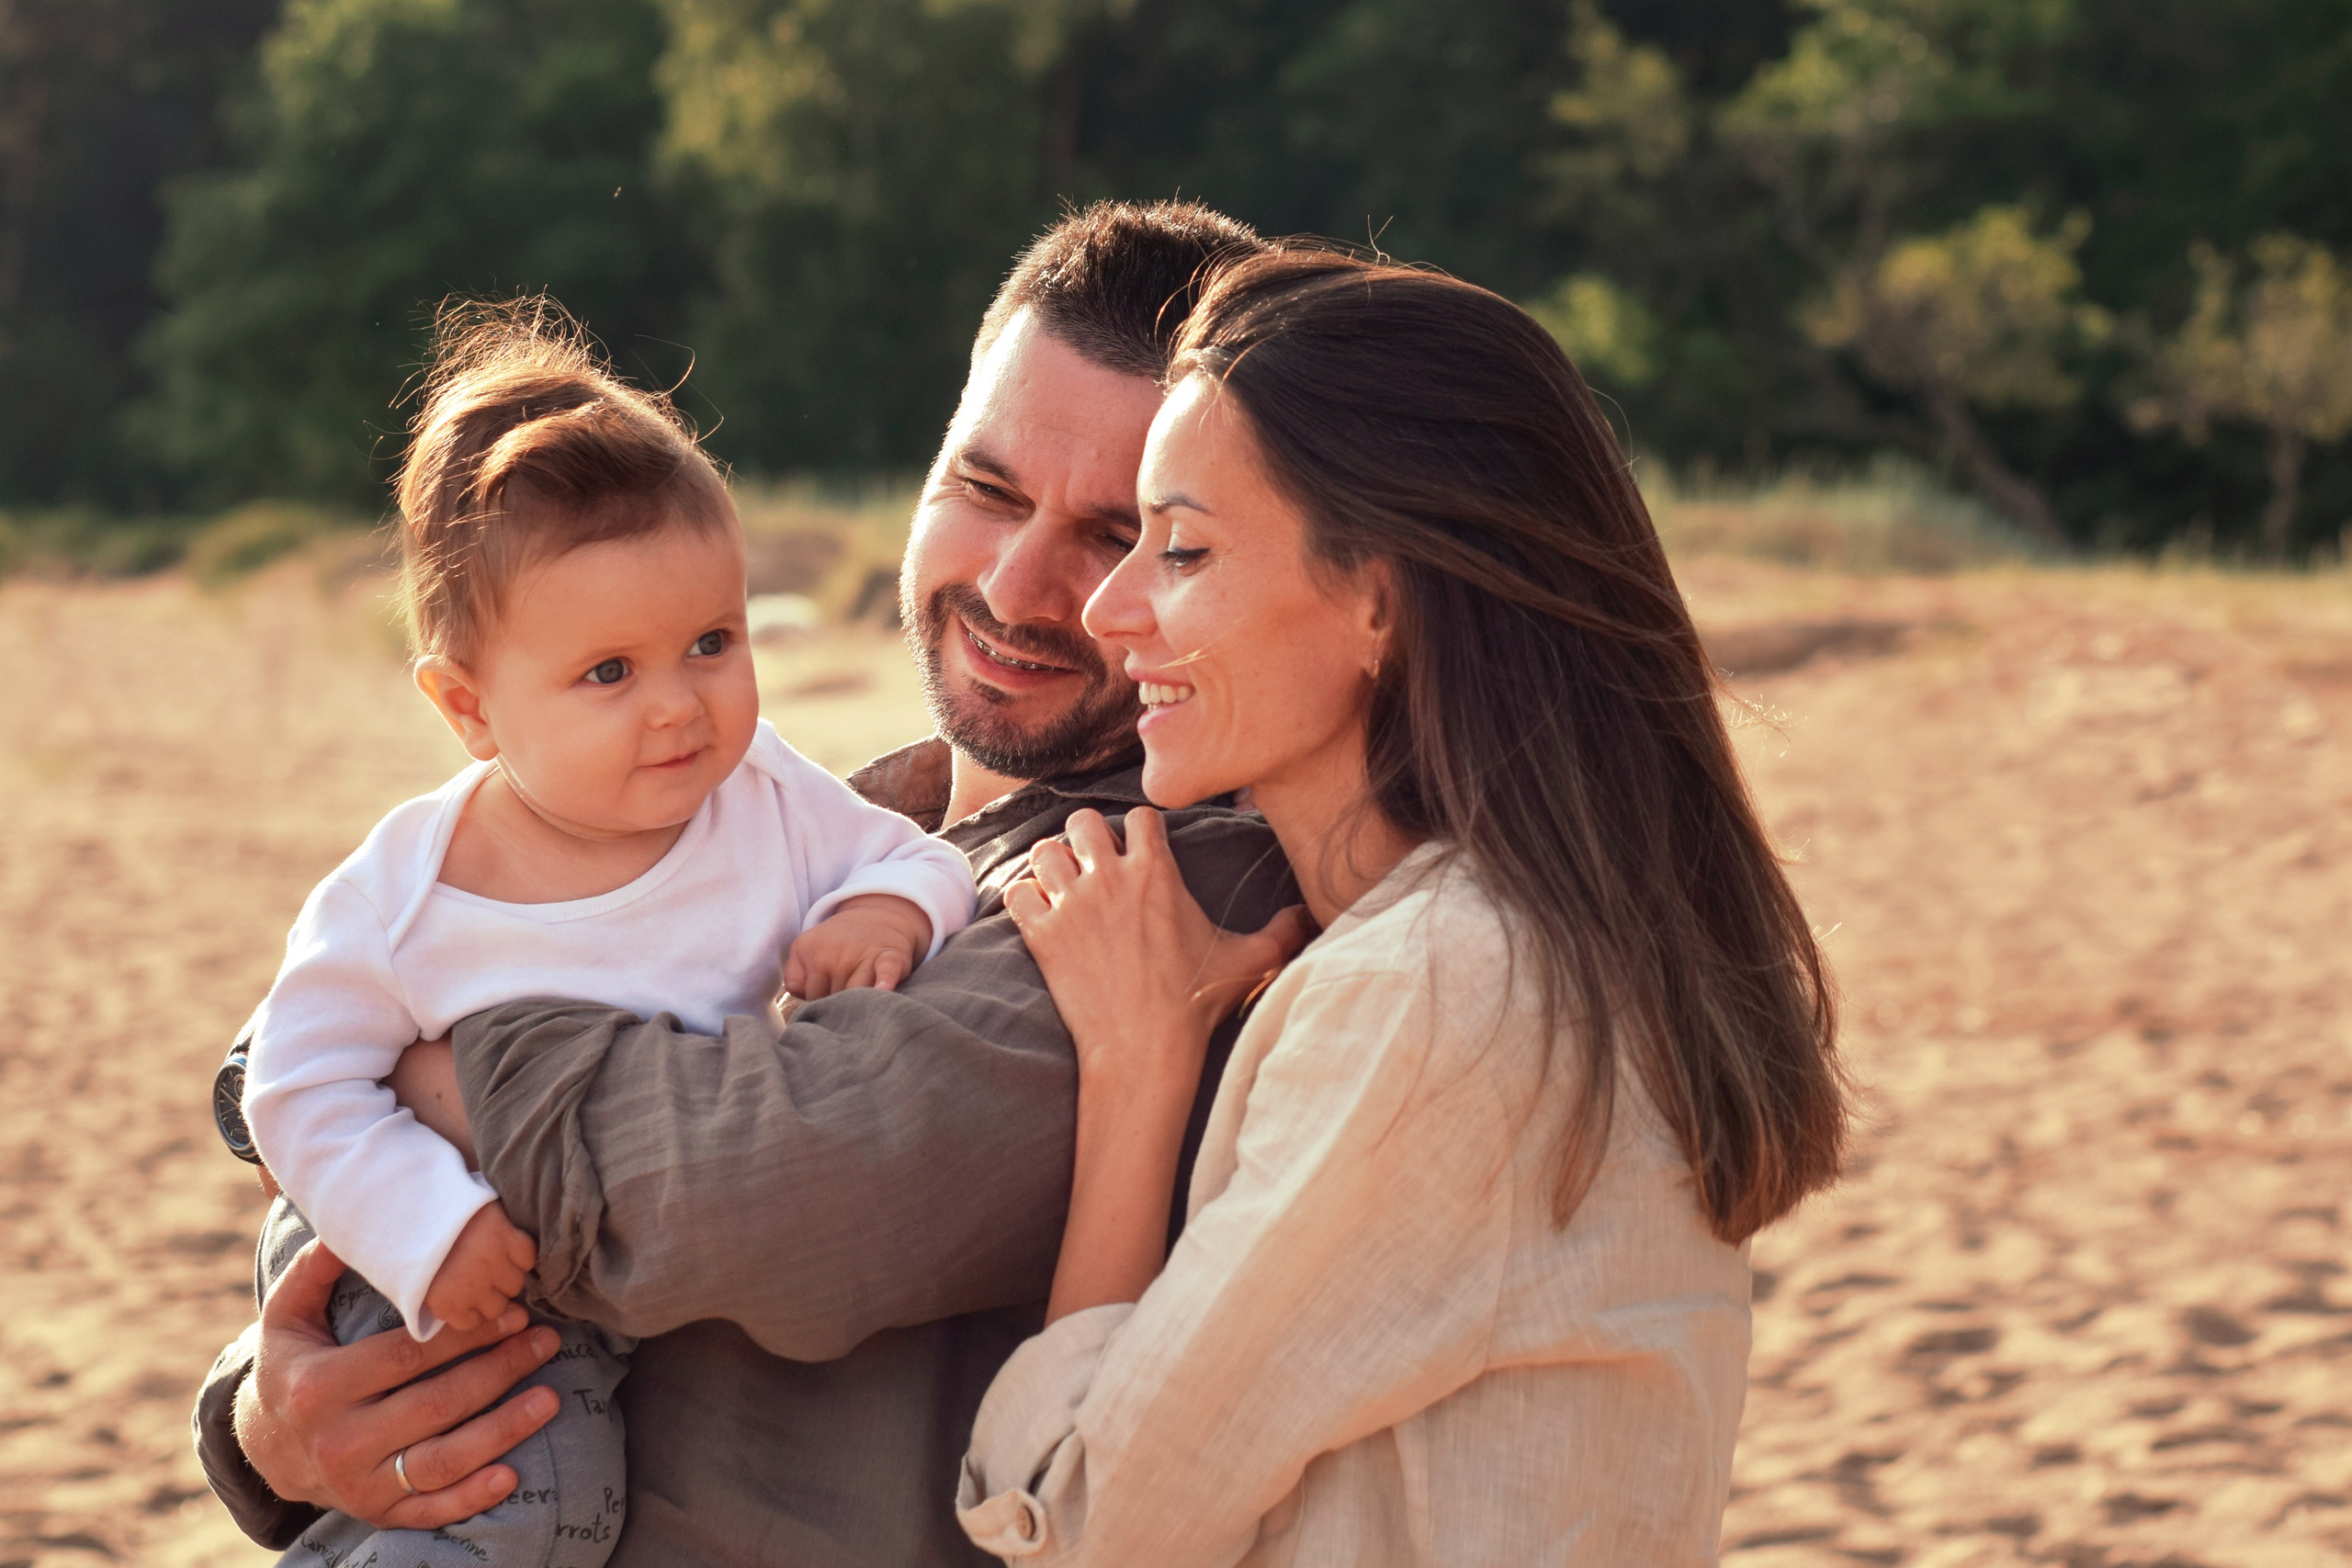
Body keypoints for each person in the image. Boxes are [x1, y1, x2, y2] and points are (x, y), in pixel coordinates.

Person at [194, 201, 1302, 1567]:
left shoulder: (1161, 887)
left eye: (1117, 531)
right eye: (990, 489)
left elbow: (771, 1197)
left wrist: (422, 1078)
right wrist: (262, 1427)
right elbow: (314, 1127)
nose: (1021, 583)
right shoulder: (779, 815)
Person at [955, 248, 1850, 1564]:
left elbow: (1092, 1525)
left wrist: (1137, 1064)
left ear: (1383, 598)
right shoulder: (1516, 946)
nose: (1108, 606)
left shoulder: (1443, 987)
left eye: (1183, 547)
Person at [237, 300, 978, 1567]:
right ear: (470, 708)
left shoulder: (767, 798)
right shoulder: (414, 886)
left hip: (593, 1242)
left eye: (713, 642)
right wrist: (428, 1225)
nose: (681, 706)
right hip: (424, 1243)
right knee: (533, 1515)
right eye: (608, 674)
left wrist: (881, 909)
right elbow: (291, 1080)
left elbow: (915, 855)